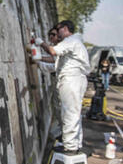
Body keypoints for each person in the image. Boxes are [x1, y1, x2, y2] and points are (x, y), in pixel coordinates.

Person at [35, 20, 91, 155]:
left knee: (70, 113)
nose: (58, 33)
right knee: (73, 112)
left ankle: (70, 147)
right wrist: (38, 58)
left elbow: (52, 52)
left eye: (58, 29)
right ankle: (75, 144)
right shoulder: (73, 42)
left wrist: (40, 43)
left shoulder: (71, 41)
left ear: (65, 29)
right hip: (74, 80)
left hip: (72, 80)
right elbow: (55, 61)